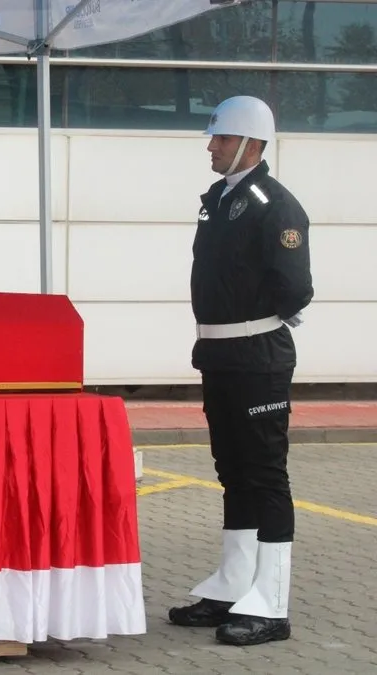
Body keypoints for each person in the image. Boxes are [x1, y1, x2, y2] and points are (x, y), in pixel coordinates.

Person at [167, 95, 313, 648]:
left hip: (257, 358)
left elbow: (295, 286)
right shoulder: (222, 198)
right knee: (232, 471)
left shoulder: (274, 205)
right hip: (223, 356)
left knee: (265, 476)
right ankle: (234, 584)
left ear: (251, 143)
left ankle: (271, 602)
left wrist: (260, 319)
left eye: (221, 139)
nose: (211, 146)